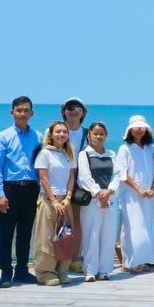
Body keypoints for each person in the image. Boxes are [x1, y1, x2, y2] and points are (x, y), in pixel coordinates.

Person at [0, 96, 42, 288]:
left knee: (25, 232)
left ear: (32, 113)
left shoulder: (38, 137)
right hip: (10, 188)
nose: (22, 113)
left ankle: (22, 270)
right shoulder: (3, 137)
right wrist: (0, 194)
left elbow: (41, 166)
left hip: (31, 188)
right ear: (12, 112)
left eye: (26, 110)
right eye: (19, 110)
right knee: (6, 232)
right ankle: (5, 272)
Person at [32, 121, 77, 286]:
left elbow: (71, 178)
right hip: (48, 199)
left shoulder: (68, 153)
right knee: (47, 238)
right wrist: (53, 200)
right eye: (58, 131)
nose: (61, 134)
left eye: (64, 132)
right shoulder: (44, 153)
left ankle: (62, 271)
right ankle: (45, 273)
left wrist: (68, 197)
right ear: (51, 134)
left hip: (65, 200)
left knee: (65, 236)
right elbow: (43, 178)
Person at [115, 116, 154, 272]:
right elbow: (122, 173)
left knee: (149, 226)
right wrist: (138, 189)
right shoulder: (124, 148)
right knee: (132, 227)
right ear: (130, 130)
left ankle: (144, 260)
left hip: (148, 195)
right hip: (130, 194)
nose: (139, 130)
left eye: (142, 127)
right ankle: (130, 262)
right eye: (135, 127)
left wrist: (152, 188)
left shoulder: (151, 148)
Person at [77, 122, 118, 281]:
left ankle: (104, 270)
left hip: (110, 199)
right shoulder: (84, 154)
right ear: (89, 135)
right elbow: (84, 177)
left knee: (108, 235)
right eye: (95, 133)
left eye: (101, 134)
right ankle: (90, 271)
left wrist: (109, 191)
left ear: (106, 136)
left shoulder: (111, 154)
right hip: (92, 200)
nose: (98, 136)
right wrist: (99, 194)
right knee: (91, 235)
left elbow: (118, 175)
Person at [61, 97, 88, 274]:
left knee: (76, 221)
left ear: (83, 112)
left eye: (77, 108)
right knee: (58, 221)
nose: (73, 111)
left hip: (79, 183)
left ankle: (75, 257)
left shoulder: (87, 133)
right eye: (69, 108)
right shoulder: (56, 130)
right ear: (63, 111)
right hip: (58, 180)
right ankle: (59, 257)